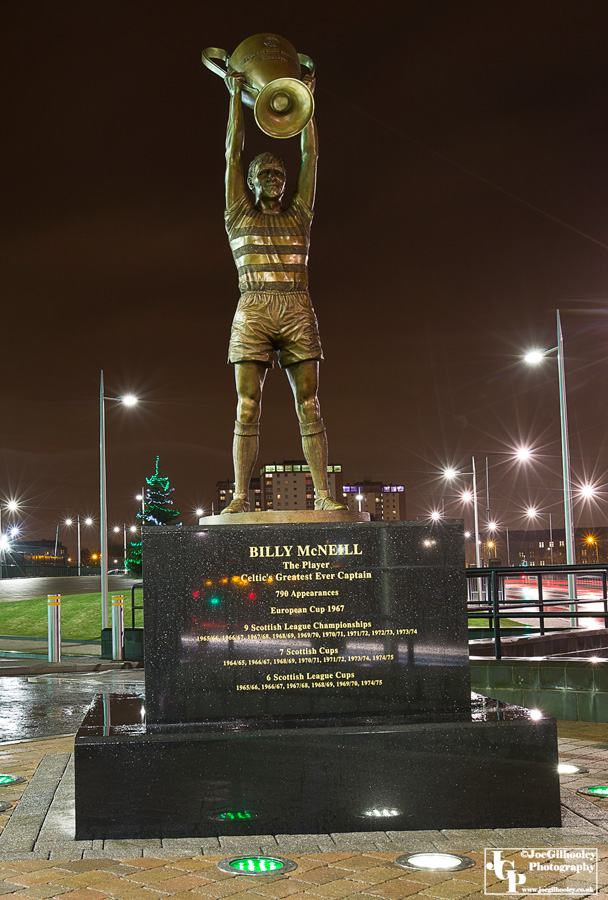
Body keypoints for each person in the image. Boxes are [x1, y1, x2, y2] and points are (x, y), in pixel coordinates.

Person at [221, 70, 347, 514]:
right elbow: (232, 154)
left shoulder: (300, 215)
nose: (274, 177)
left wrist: (307, 104)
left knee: (309, 404)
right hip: (252, 307)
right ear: (253, 182)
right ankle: (239, 496)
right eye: (265, 172)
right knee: (247, 405)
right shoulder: (238, 214)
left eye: (278, 172)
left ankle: (324, 495)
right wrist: (235, 95)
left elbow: (311, 155)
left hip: (296, 306)